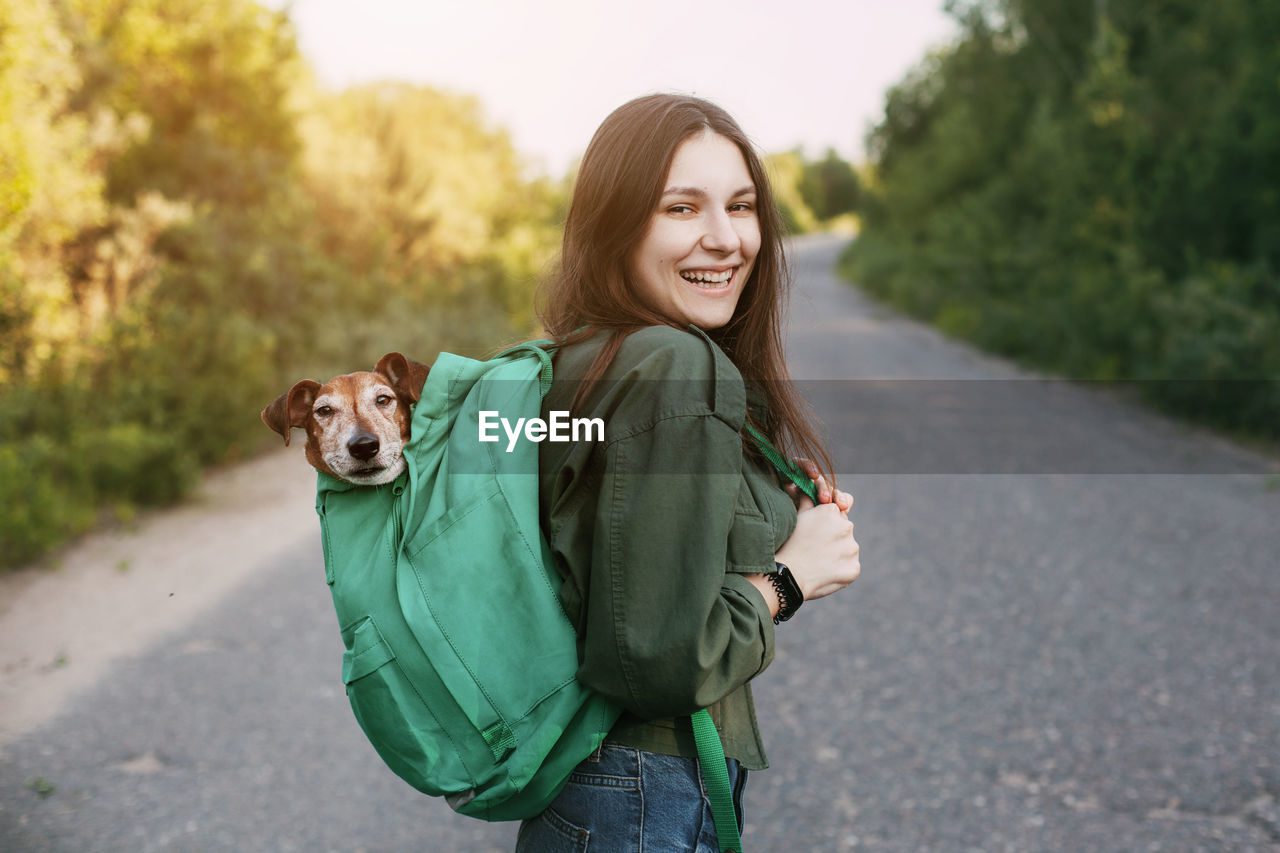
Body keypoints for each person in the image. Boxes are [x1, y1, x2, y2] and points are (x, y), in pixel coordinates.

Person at [518, 93, 861, 852]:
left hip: (587, 794)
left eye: (741, 206)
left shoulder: (586, 354)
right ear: (616, 225)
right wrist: (789, 576)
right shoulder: (675, 366)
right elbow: (660, 660)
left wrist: (751, 486)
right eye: (681, 208)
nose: (725, 238)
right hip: (644, 793)